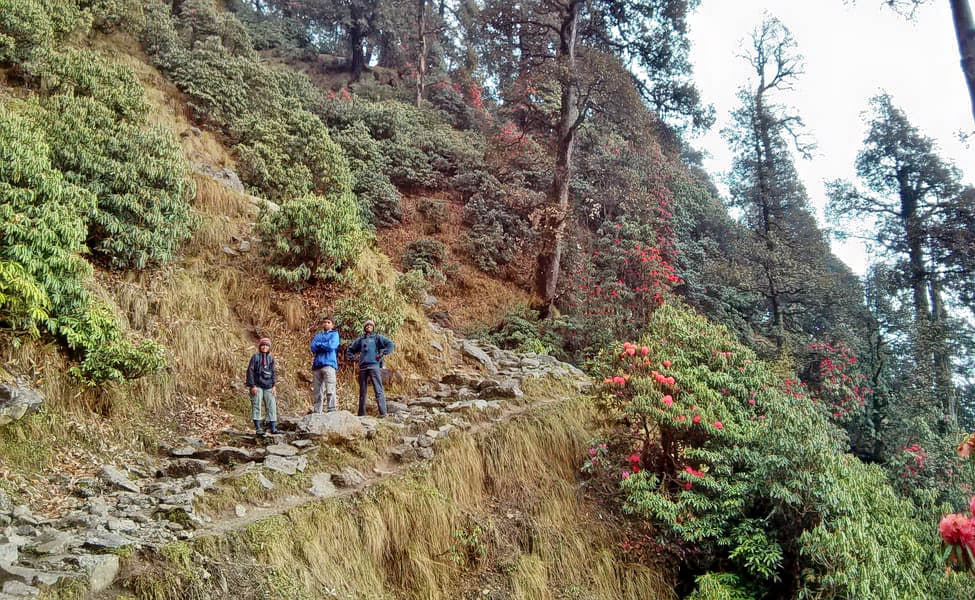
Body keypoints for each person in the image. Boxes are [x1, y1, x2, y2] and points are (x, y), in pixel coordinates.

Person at [345, 319, 394, 417]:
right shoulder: (360, 340)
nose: (368, 327)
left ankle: (383, 413)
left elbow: (390, 344)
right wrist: (354, 358)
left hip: (374, 366)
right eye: (367, 325)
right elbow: (349, 350)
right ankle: (361, 414)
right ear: (364, 328)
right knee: (362, 391)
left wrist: (382, 353)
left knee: (378, 389)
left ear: (373, 327)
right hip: (363, 367)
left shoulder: (377, 338)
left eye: (370, 325)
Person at [246, 337, 279, 434]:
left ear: (269, 347)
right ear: (260, 346)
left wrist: (274, 385)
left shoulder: (271, 359)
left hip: (268, 386)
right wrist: (252, 385)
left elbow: (273, 372)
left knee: (271, 405)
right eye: (263, 345)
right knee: (256, 404)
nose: (264, 347)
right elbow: (250, 371)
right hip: (257, 385)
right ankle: (258, 428)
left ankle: (273, 427)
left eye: (267, 345)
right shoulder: (255, 357)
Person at [310, 316, 340, 413]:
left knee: (330, 388)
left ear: (332, 325)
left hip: (329, 364)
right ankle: (317, 411)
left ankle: (331, 409)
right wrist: (324, 345)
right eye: (324, 322)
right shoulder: (318, 335)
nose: (326, 324)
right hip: (317, 365)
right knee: (317, 391)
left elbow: (332, 346)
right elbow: (313, 347)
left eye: (328, 322)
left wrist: (320, 345)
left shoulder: (335, 334)